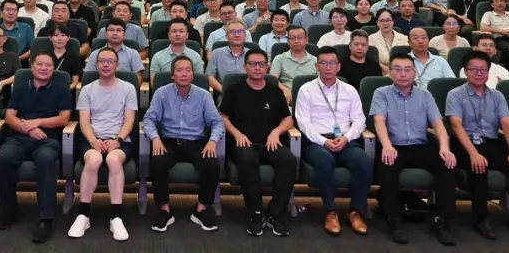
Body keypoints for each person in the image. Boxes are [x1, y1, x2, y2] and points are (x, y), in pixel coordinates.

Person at [371, 53, 458, 245]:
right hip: (394, 145)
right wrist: (386, 145)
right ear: (390, 72)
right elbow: (379, 120)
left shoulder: (425, 95)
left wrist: (445, 148)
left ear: (414, 72)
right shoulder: (381, 93)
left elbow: (438, 124)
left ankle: (441, 218)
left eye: (407, 70)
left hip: (420, 145)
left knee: (447, 164)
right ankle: (394, 218)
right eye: (397, 69)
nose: (403, 74)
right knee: (388, 163)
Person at [446, 50, 509, 240]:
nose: (479, 73)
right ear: (465, 71)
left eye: (483, 70)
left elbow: (507, 124)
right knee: (479, 167)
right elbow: (456, 126)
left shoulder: (497, 96)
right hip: (464, 143)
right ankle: (481, 218)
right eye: (474, 69)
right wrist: (473, 154)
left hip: (490, 141)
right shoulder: (455, 94)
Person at [0, 52, 72, 243]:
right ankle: (9, 206)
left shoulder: (61, 90)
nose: (44, 68)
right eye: (40, 64)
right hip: (20, 137)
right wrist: (27, 129)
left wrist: (37, 123)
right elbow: (9, 117)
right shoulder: (20, 89)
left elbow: (64, 118)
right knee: (4, 158)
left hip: (47, 139)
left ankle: (46, 217)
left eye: (48, 65)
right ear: (32, 66)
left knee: (46, 160)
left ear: (53, 69)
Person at [219, 48, 296, 237]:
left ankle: (276, 212)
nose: (257, 68)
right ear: (245, 67)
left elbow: (288, 120)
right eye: (252, 64)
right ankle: (255, 212)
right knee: (247, 159)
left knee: (288, 161)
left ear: (267, 67)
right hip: (243, 142)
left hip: (271, 142)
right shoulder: (234, 90)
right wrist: (237, 134)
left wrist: (276, 132)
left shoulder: (275, 91)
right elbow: (222, 116)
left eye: (261, 64)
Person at [295, 47, 371, 236]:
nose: (328, 67)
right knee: (324, 160)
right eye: (323, 63)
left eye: (332, 63)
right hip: (316, 142)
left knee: (363, 160)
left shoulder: (349, 90)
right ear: (316, 66)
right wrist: (323, 141)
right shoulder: (306, 90)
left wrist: (346, 137)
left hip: (346, 140)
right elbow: (303, 123)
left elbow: (359, 120)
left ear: (339, 66)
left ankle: (355, 211)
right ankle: (331, 211)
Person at [143, 56, 224, 232]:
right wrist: (155, 138)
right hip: (169, 141)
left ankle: (201, 208)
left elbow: (217, 122)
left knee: (211, 164)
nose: (184, 74)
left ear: (193, 75)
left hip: (196, 142)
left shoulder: (203, 95)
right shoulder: (161, 93)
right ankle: (164, 209)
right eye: (179, 70)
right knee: (157, 162)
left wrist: (212, 141)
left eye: (188, 70)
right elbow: (148, 120)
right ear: (172, 75)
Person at [69, 48, 138, 241]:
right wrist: (93, 141)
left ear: (117, 65)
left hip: (119, 140)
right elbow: (84, 121)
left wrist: (118, 140)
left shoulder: (128, 88)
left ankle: (116, 217)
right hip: (92, 139)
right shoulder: (87, 89)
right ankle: (83, 215)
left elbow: (129, 121)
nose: (106, 64)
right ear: (96, 64)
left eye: (110, 61)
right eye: (102, 61)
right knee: (93, 160)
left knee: (114, 161)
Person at [270, 25, 318, 103]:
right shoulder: (279, 58)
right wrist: (285, 89)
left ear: (306, 40)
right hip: (286, 97)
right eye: (292, 38)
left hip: (310, 98)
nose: (296, 41)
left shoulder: (316, 61)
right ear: (288, 41)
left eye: (299, 37)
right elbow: (273, 79)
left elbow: (322, 82)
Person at [34, 23, 83, 90]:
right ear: (50, 38)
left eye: (63, 35)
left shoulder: (74, 57)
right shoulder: (42, 56)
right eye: (56, 35)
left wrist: (62, 91)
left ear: (68, 37)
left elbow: (74, 82)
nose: (59, 38)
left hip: (65, 91)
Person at [368, 9, 408, 73]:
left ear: (393, 21)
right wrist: (386, 69)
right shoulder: (370, 39)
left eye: (388, 20)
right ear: (377, 23)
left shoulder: (404, 38)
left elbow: (408, 59)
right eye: (381, 20)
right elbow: (371, 60)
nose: (385, 23)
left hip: (402, 72)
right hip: (380, 73)